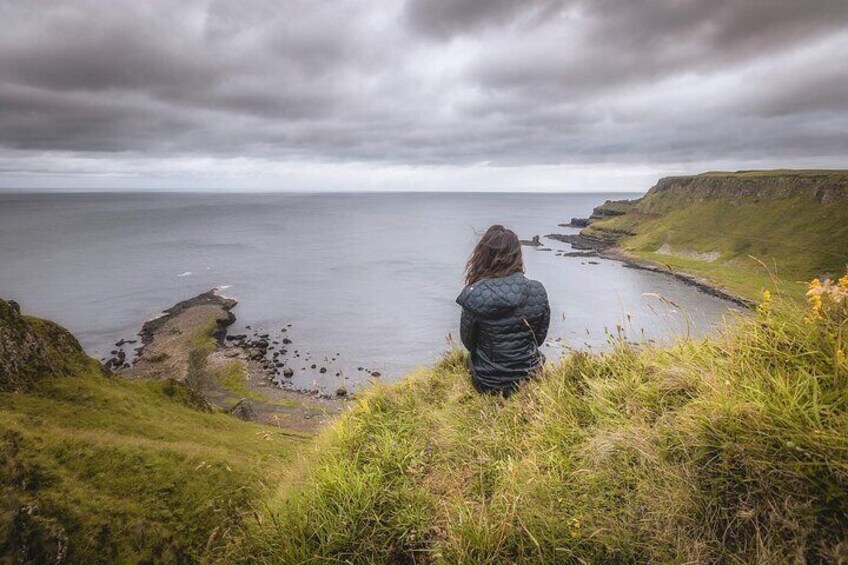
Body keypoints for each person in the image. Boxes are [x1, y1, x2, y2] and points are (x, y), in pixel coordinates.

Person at [456, 225, 550, 396]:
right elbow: (539, 338)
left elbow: (469, 342)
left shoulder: (475, 294)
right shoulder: (538, 290)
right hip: (530, 375)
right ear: (517, 256)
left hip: (488, 382)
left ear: (482, 256)